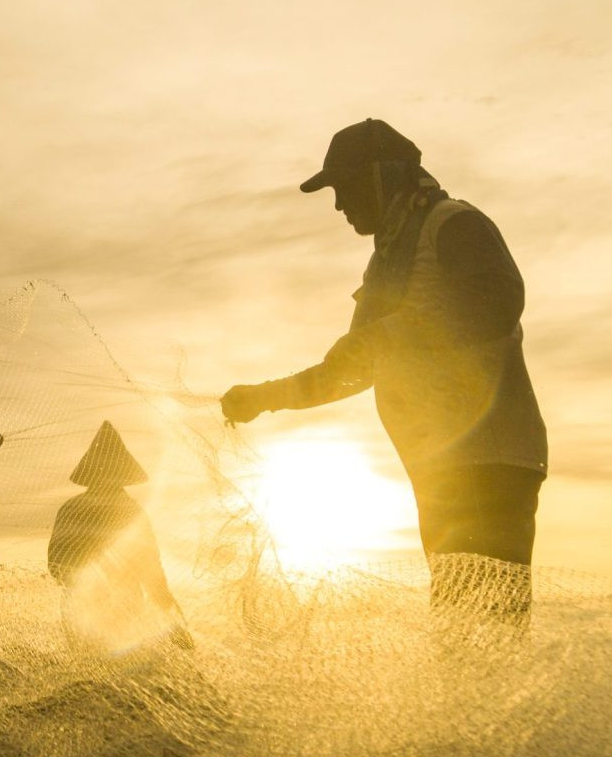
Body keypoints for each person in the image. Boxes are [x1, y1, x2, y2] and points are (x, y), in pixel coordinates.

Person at [221, 120, 548, 628]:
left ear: (382, 176)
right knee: (457, 625)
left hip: (490, 459)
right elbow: (350, 370)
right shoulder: (388, 263)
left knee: (485, 627)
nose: (338, 205)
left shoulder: (454, 224)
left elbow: (498, 305)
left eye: (344, 187)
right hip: (441, 467)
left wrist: (391, 334)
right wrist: (265, 397)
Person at [48, 423, 193, 654]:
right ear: (123, 476)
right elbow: (151, 570)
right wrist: (171, 615)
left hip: (77, 608)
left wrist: (82, 584)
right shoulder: (131, 512)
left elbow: (56, 563)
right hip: (121, 606)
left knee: (87, 669)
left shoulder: (70, 509)